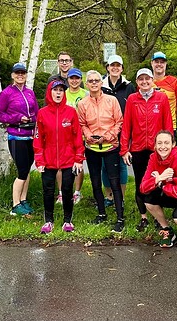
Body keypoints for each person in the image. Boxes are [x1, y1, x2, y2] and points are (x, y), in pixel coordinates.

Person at [120, 68, 173, 232]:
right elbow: (126, 125)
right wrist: (124, 149)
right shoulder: (132, 99)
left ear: (152, 80)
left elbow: (168, 124)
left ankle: (158, 217)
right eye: (141, 79)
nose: (144, 82)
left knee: (158, 183)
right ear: (137, 82)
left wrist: (168, 147)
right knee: (140, 183)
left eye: (147, 79)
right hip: (137, 149)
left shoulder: (161, 98)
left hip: (157, 150)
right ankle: (143, 217)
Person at [77, 70, 125, 233]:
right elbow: (82, 124)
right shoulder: (82, 103)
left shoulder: (112, 100)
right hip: (91, 148)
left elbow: (119, 122)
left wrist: (106, 136)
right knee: (96, 182)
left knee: (114, 182)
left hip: (110, 146)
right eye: (90, 81)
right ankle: (101, 214)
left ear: (101, 82)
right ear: (87, 83)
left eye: (97, 80)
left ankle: (120, 218)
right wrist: (89, 136)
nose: (94, 83)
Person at [34, 80, 85, 234]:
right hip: (48, 160)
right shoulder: (42, 113)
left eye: (61, 90)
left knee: (67, 190)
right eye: (55, 90)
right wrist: (39, 160)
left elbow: (78, 136)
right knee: (48, 190)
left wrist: (78, 158)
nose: (58, 93)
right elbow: (38, 138)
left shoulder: (71, 112)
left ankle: (67, 221)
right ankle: (48, 221)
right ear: (49, 92)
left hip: (68, 158)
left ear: (64, 93)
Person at [140, 131, 177, 247]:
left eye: (166, 143)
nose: (163, 147)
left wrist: (162, 184)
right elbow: (143, 187)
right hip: (171, 192)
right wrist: (161, 178)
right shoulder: (153, 158)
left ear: (173, 144)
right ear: (155, 146)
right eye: (159, 143)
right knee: (148, 199)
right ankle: (167, 230)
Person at [0, 62, 39, 216]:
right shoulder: (6, 93)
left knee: (27, 170)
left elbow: (36, 112)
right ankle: (15, 205)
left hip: (30, 136)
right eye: (17, 73)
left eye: (23, 73)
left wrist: (34, 120)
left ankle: (23, 199)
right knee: (21, 171)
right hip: (16, 136)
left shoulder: (29, 92)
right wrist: (18, 118)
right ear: (12, 75)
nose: (20, 76)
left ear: (26, 75)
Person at [100, 55, 135, 207]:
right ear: (107, 67)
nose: (115, 68)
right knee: (104, 165)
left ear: (122, 68)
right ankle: (109, 196)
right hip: (104, 132)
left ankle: (120, 196)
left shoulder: (129, 87)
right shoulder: (101, 86)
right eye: (112, 65)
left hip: (123, 131)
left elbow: (133, 108)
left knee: (121, 164)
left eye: (118, 65)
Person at [55, 67, 89, 205]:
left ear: (81, 80)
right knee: (59, 164)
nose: (74, 81)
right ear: (67, 80)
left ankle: (77, 192)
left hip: (80, 134)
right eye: (71, 78)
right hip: (63, 134)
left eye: (77, 78)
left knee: (78, 163)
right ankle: (62, 193)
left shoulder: (86, 94)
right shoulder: (63, 93)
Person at [151, 51, 177, 137]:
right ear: (152, 63)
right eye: (156, 62)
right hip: (151, 127)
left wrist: (171, 113)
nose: (159, 64)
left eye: (162, 62)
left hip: (170, 127)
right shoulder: (145, 83)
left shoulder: (174, 82)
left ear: (166, 64)